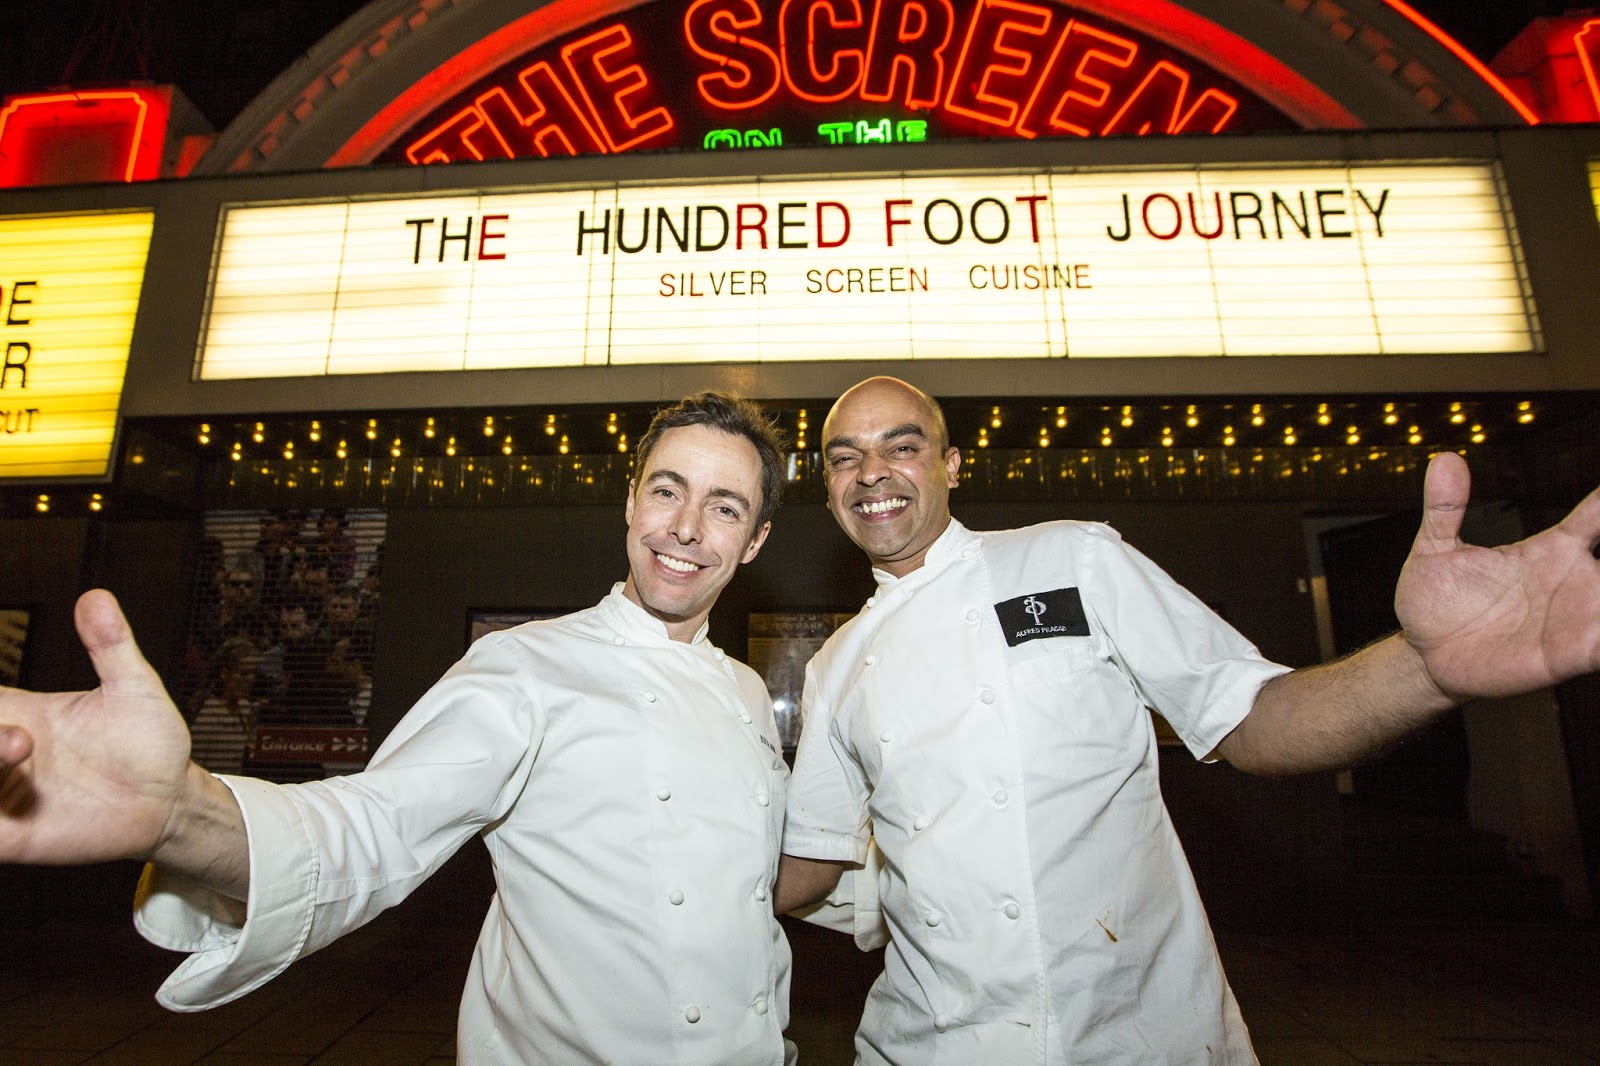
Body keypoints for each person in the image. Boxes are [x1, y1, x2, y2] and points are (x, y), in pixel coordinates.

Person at [774, 376, 1600, 1065]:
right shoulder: (836, 666)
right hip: (932, 1042)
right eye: (845, 457)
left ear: (953, 465)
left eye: (901, 446)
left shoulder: (1071, 559)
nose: (871, 472)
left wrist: (1424, 666)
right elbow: (812, 858)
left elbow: (1250, 716)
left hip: (1135, 1032)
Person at [0, 392, 797, 1065]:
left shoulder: (746, 691)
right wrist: (180, 814)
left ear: (755, 540)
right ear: (630, 502)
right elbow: (373, 826)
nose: (686, 527)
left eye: (724, 508)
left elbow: (745, 892)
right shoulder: (528, 666)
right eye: (667, 491)